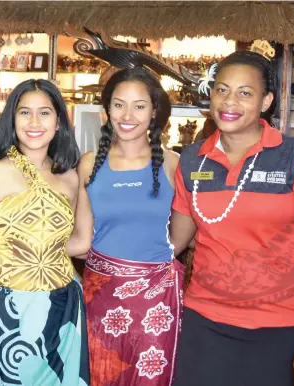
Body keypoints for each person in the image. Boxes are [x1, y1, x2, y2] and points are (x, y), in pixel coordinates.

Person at [171, 51, 294, 386]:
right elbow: (172, 243)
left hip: (278, 329)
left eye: (245, 93)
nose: (230, 101)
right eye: (222, 89)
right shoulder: (192, 160)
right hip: (203, 323)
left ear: (266, 101)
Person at [0, 79, 90, 385]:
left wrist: (36, 254)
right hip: (4, 313)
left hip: (63, 309)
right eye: (24, 113)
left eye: (44, 113)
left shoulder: (69, 177)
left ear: (59, 122)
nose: (34, 122)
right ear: (12, 120)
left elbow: (82, 243)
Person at [77, 67, 182, 385]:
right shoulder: (88, 163)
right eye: (119, 104)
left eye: (139, 106)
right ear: (107, 110)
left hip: (156, 302)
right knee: (99, 374)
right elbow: (81, 239)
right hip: (99, 297)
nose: (128, 115)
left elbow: (184, 236)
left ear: (154, 112)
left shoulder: (173, 165)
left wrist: (150, 273)